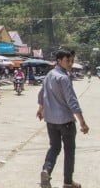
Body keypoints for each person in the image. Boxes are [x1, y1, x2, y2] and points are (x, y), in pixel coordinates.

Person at [37, 49, 89, 188]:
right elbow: (72, 101)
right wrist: (82, 122)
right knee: (69, 152)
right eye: (68, 61)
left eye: (71, 60)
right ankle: (67, 182)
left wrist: (41, 109)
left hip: (50, 120)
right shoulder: (64, 77)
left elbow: (42, 93)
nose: (70, 63)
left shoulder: (49, 75)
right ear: (59, 61)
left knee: (54, 147)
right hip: (65, 121)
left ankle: (46, 170)